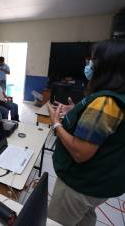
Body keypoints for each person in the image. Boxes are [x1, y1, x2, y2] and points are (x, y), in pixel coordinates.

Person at [47, 40, 125, 226]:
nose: (89, 64)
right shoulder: (115, 97)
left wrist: (56, 123)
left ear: (106, 65)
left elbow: (80, 152)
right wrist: (77, 111)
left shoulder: (105, 102)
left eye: (93, 60)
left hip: (81, 185)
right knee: (85, 218)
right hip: (100, 184)